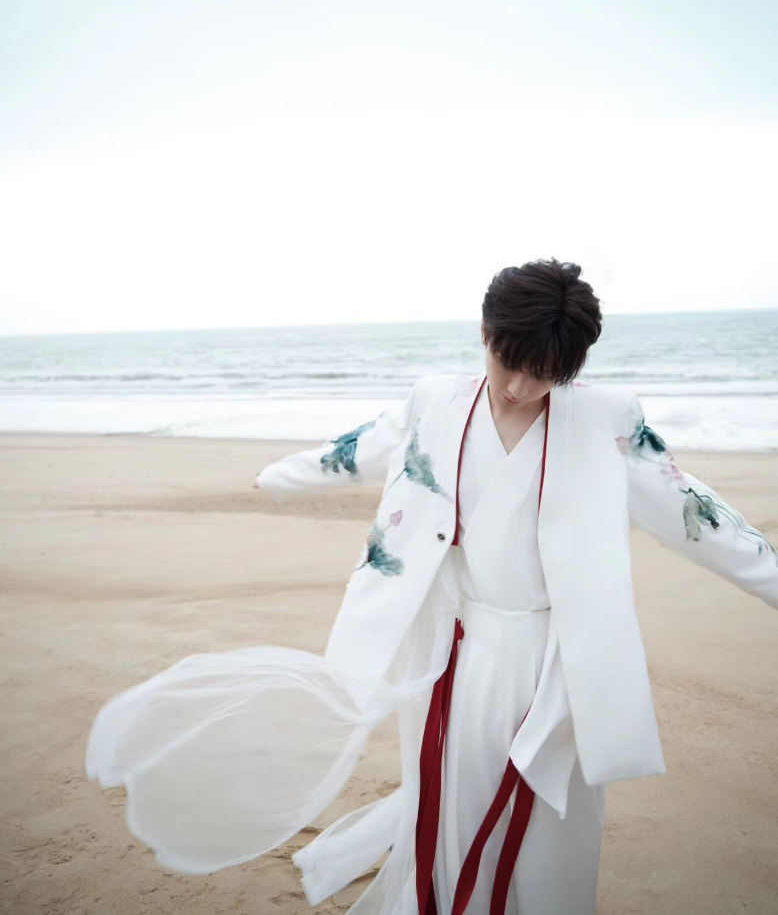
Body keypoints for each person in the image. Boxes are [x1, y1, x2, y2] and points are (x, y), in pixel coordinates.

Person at [85, 258, 778, 915]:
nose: (519, 388)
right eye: (510, 363)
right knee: (455, 792)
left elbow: (694, 514)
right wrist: (278, 477)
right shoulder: (437, 401)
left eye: (544, 375)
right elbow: (359, 450)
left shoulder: (606, 420)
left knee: (552, 807)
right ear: (485, 334)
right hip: (461, 647)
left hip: (556, 654)